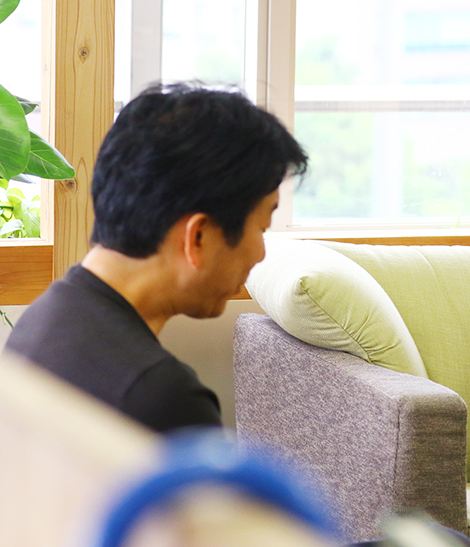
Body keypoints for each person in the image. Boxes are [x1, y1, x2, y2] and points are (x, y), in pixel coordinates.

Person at [4, 83, 308, 432]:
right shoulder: (164, 399)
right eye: (262, 227)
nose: (261, 253)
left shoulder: (42, 320)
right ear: (198, 236)